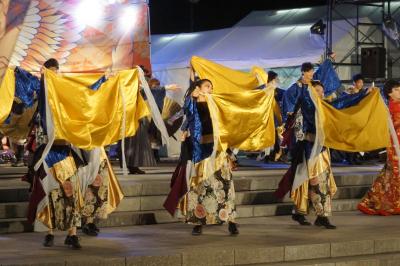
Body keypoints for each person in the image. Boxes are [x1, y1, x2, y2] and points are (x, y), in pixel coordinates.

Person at [276, 62, 369, 229]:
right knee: (308, 182)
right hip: (308, 149)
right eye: (316, 90)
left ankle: (321, 216)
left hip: (323, 150)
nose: (320, 93)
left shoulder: (324, 107)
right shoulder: (308, 105)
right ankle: (302, 212)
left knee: (322, 183)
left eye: (321, 91)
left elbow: (342, 102)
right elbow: (299, 103)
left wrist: (363, 95)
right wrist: (306, 85)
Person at [166, 78, 239, 236]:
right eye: (207, 86)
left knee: (225, 186)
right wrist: (192, 97)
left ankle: (231, 221)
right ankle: (198, 222)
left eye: (212, 87)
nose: (210, 90)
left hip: (218, 151)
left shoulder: (216, 103)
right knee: (200, 187)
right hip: (200, 151)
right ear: (198, 88)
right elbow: (185, 112)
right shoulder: (192, 102)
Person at [27, 58, 83, 249]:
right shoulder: (41, 94)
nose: (53, 75)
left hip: (65, 152)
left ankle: (72, 234)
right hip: (46, 153)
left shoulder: (64, 95)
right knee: (49, 194)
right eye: (50, 72)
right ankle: (49, 232)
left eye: (55, 72)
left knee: (71, 192)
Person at [358, 80, 400, 215]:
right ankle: (387, 203)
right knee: (394, 173)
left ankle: (377, 200)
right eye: (397, 90)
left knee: (389, 174)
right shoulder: (389, 108)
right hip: (394, 145)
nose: (399, 92)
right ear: (389, 93)